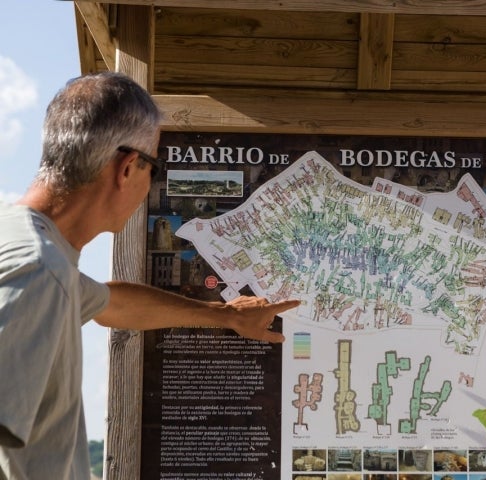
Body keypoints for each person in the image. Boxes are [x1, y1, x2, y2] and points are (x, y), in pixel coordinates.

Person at [0, 72, 300, 479]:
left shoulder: (36, 254)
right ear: (127, 168)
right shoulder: (39, 268)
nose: (149, 183)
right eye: (154, 168)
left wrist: (225, 316)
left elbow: (112, 302)